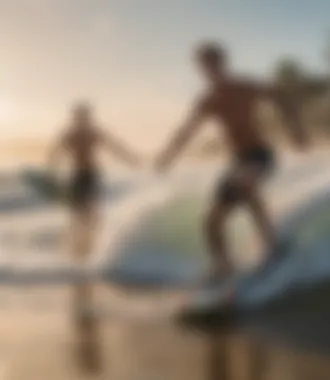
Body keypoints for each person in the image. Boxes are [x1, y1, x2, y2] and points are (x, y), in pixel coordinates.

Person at [155, 42, 310, 281]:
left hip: (260, 154)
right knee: (211, 221)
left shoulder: (244, 87)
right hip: (237, 161)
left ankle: (273, 247)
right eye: (205, 67)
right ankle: (224, 267)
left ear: (224, 63)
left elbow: (282, 97)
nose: (210, 71)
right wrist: (167, 155)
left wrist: (296, 130)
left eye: (214, 64)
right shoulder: (207, 101)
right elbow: (187, 130)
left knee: (245, 182)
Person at [47, 102, 140, 368]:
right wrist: (50, 170)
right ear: (75, 117)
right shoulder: (69, 133)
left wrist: (131, 159)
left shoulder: (94, 132)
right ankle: (79, 250)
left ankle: (91, 248)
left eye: (84, 116)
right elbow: (55, 152)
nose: (81, 119)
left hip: (91, 174)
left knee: (92, 215)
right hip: (77, 175)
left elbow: (114, 146)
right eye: (78, 116)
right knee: (79, 217)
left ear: (88, 117)